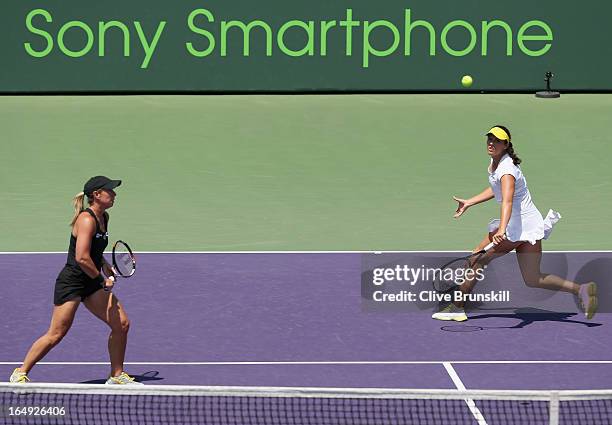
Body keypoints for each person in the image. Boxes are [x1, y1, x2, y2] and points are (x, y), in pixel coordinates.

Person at [432, 126, 597, 322]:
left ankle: (457, 308)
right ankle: (581, 289)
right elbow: (497, 188)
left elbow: (507, 201)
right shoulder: (497, 164)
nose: (491, 143)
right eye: (489, 139)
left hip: (516, 228)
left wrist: (502, 229)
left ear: (506, 145)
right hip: (530, 227)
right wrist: (470, 201)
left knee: (477, 258)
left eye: (497, 140)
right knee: (533, 278)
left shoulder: (507, 170)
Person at [9, 176, 142, 385]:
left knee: (122, 324)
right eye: (110, 191)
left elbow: (94, 251)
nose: (114, 194)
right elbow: (81, 257)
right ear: (97, 195)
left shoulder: (104, 217)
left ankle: (116, 375)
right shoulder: (86, 219)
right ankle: (20, 372)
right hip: (73, 282)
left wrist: (105, 264)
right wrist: (101, 278)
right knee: (56, 334)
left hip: (91, 281)